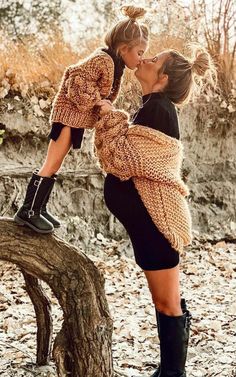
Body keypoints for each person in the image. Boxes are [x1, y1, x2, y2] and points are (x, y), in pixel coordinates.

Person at [95, 46, 217, 376]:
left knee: (167, 303)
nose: (145, 59)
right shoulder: (150, 107)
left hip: (157, 224)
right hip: (149, 225)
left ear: (162, 78)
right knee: (165, 301)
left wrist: (109, 115)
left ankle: (172, 373)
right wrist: (112, 116)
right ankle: (169, 370)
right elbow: (126, 155)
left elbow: (123, 159)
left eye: (154, 60)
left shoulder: (159, 109)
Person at [14, 5, 149, 234]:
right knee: (52, 162)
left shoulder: (115, 65)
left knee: (57, 163)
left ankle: (39, 208)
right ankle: (28, 212)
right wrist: (97, 102)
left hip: (75, 118)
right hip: (68, 115)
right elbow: (76, 80)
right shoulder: (103, 60)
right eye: (140, 52)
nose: (141, 58)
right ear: (124, 48)